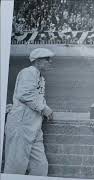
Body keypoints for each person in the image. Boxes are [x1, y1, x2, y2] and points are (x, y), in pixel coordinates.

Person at [4, 48, 55, 176]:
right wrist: (44, 109)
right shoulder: (29, 72)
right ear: (37, 61)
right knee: (15, 167)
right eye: (47, 59)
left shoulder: (39, 76)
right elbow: (25, 94)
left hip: (33, 127)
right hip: (21, 126)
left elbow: (36, 97)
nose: (50, 61)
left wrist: (45, 107)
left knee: (40, 167)